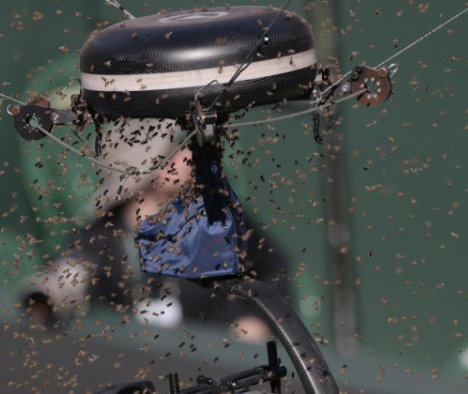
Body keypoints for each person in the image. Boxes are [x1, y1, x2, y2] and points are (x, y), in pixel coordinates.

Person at [25, 141, 292, 343]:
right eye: (176, 149)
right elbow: (73, 272)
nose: (189, 157)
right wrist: (50, 298)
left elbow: (272, 269)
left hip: (207, 359)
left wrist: (254, 318)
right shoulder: (102, 234)